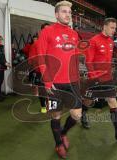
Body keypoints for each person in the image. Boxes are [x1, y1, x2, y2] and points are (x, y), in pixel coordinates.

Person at [35, 1, 81, 158]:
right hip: (54, 83)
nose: (67, 14)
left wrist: (78, 78)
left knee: (77, 115)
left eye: (69, 12)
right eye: (64, 11)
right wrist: (47, 81)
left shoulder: (74, 34)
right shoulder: (47, 32)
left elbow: (74, 58)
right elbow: (40, 57)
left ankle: (63, 132)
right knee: (55, 115)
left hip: (73, 82)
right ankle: (58, 144)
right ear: (56, 14)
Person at [82, 18, 117, 140]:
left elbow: (108, 60)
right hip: (94, 79)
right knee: (88, 101)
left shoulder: (111, 41)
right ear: (104, 27)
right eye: (112, 27)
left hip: (107, 78)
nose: (114, 30)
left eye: (115, 28)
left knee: (112, 101)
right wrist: (94, 77)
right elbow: (88, 61)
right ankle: (83, 114)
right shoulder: (93, 41)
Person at [29, 23, 49, 114]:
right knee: (42, 90)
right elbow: (31, 59)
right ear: (42, 31)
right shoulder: (36, 44)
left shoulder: (53, 43)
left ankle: (51, 106)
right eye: (46, 29)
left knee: (53, 90)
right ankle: (43, 106)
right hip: (40, 71)